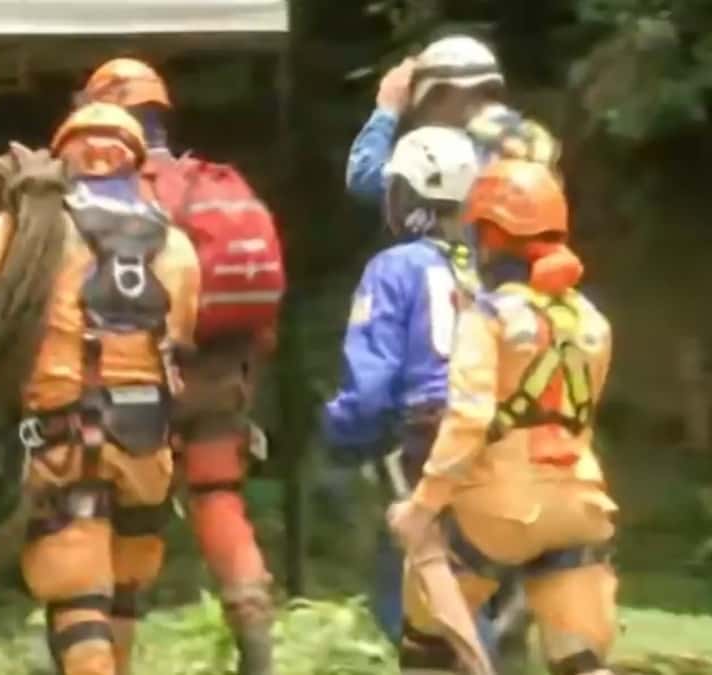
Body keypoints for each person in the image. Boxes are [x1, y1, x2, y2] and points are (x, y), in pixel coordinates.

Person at [0, 102, 200, 675]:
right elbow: (178, 336)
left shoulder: (38, 224)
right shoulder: (173, 242)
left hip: (64, 436)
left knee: (79, 601)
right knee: (123, 594)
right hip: (149, 440)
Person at [79, 57, 284, 675]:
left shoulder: (116, 197)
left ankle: (110, 660)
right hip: (223, 374)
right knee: (219, 498)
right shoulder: (212, 181)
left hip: (146, 376)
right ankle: (257, 646)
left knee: (129, 521)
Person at [387, 159, 617, 675]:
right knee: (581, 661)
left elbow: (468, 421)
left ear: (490, 237)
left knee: (427, 642)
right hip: (579, 503)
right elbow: (580, 418)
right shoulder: (593, 323)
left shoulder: (487, 317)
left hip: (499, 509)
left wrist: (421, 508)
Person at [322, 125, 481, 645]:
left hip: (426, 438)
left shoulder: (394, 267)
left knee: (412, 591)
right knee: (476, 577)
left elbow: (370, 387)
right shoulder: (490, 267)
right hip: (500, 436)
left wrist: (340, 431)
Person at [346, 34, 558, 208]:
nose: (424, 121)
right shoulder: (531, 140)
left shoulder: (453, 157)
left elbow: (364, 178)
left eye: (427, 104)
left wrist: (388, 108)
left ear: (440, 93)